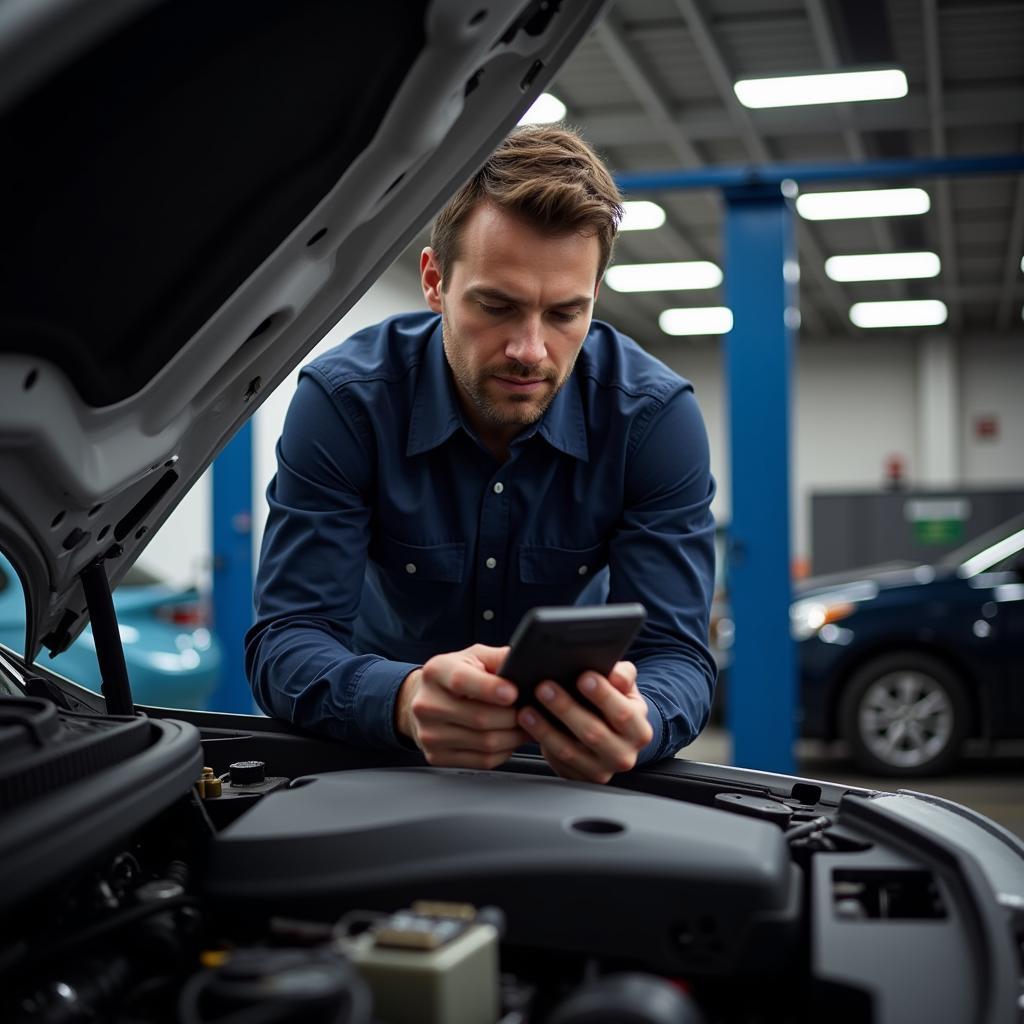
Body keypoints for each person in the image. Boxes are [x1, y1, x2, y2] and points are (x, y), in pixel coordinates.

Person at [245, 125, 717, 784]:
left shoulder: (653, 420)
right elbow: (287, 640)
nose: (530, 350)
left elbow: (678, 656)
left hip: (566, 771)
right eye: (497, 306)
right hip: (382, 750)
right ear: (435, 281)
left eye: (563, 314)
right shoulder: (347, 403)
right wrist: (402, 698)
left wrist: (644, 718)